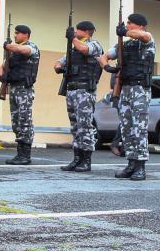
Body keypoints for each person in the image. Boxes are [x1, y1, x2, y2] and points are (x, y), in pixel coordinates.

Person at [100, 13, 154, 180]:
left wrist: (125, 32)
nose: (128, 25)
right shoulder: (123, 44)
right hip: (125, 89)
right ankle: (130, 164)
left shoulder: (147, 39)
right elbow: (103, 56)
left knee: (139, 129)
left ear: (140, 25)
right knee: (126, 128)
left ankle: (140, 167)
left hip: (140, 89)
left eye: (130, 23)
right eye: (127, 23)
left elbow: (143, 35)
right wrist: (107, 67)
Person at [55, 20, 104, 172]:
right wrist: (59, 67)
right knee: (75, 126)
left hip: (84, 91)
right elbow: (60, 62)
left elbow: (84, 49)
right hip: (71, 90)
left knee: (85, 126)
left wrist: (72, 39)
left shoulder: (94, 45)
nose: (75, 32)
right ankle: (76, 159)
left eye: (78, 30)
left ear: (86, 31)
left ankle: (86, 160)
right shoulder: (73, 48)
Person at [2, 24, 40, 165]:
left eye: (17, 33)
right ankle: (19, 153)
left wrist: (9, 46)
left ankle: (25, 155)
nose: (15, 35)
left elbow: (23, 49)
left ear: (26, 35)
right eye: (15, 33)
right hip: (14, 88)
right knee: (16, 122)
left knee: (24, 121)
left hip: (24, 89)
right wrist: (4, 76)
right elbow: (2, 67)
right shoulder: (14, 52)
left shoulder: (31, 47)